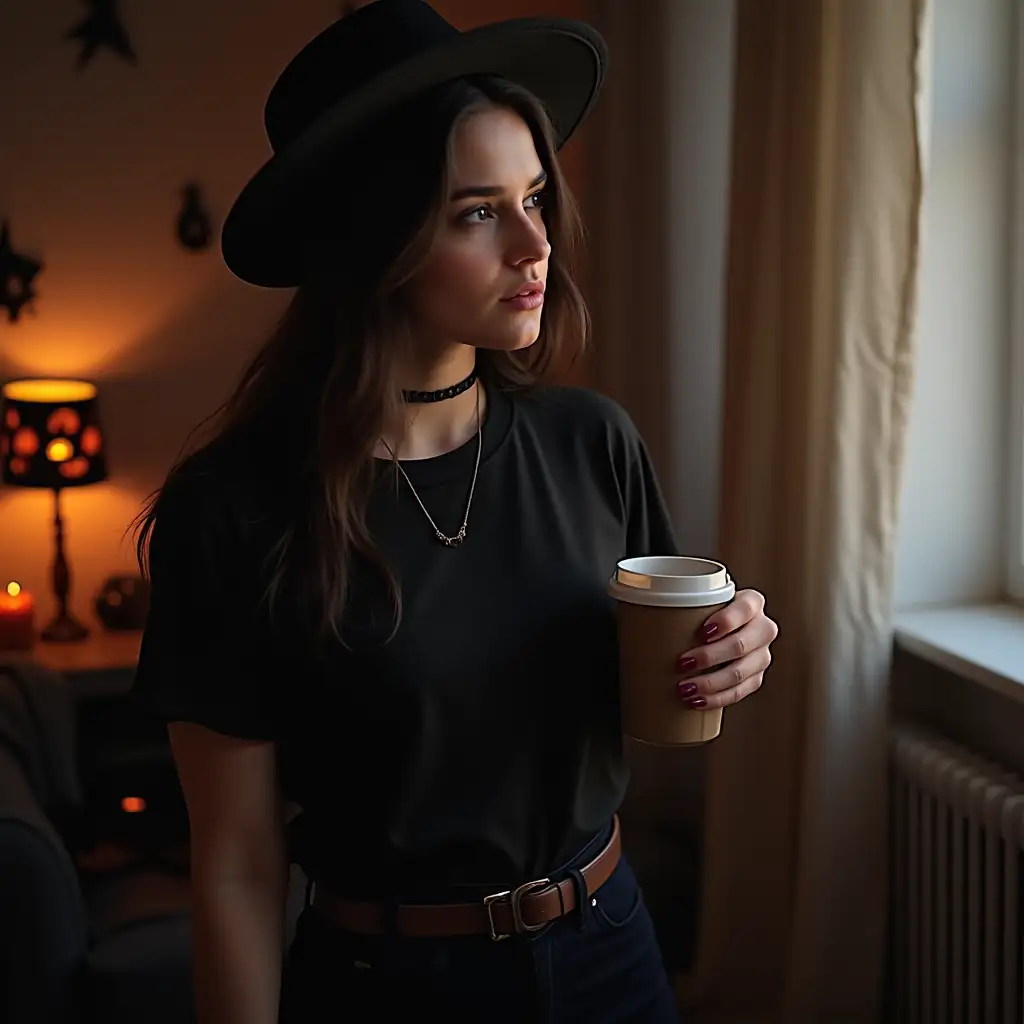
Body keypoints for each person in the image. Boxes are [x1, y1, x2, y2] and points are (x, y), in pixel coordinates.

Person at [130, 2, 779, 1022]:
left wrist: (726, 653)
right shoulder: (236, 511)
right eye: (477, 211)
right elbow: (239, 865)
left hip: (610, 951)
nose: (537, 244)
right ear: (373, 237)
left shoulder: (590, 441)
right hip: (385, 985)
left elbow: (650, 703)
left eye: (534, 196)